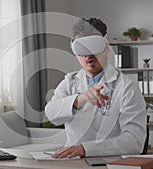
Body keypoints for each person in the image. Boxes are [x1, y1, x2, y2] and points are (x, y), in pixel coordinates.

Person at [45, 18, 146, 158]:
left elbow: (134, 141)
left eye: (94, 46)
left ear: (106, 47)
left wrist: (85, 149)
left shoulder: (126, 86)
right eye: (82, 48)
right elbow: (51, 114)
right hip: (73, 163)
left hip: (111, 163)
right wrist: (78, 100)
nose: (89, 55)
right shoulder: (70, 82)